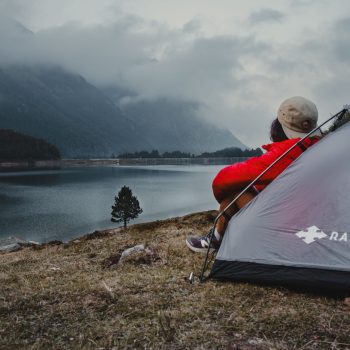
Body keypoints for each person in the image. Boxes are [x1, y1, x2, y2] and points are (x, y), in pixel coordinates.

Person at [186, 96, 322, 253]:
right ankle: (218, 237)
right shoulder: (321, 146)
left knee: (236, 188)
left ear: (279, 124)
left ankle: (216, 239)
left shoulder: (289, 151)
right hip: (313, 220)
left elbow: (223, 179)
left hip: (290, 228)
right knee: (254, 188)